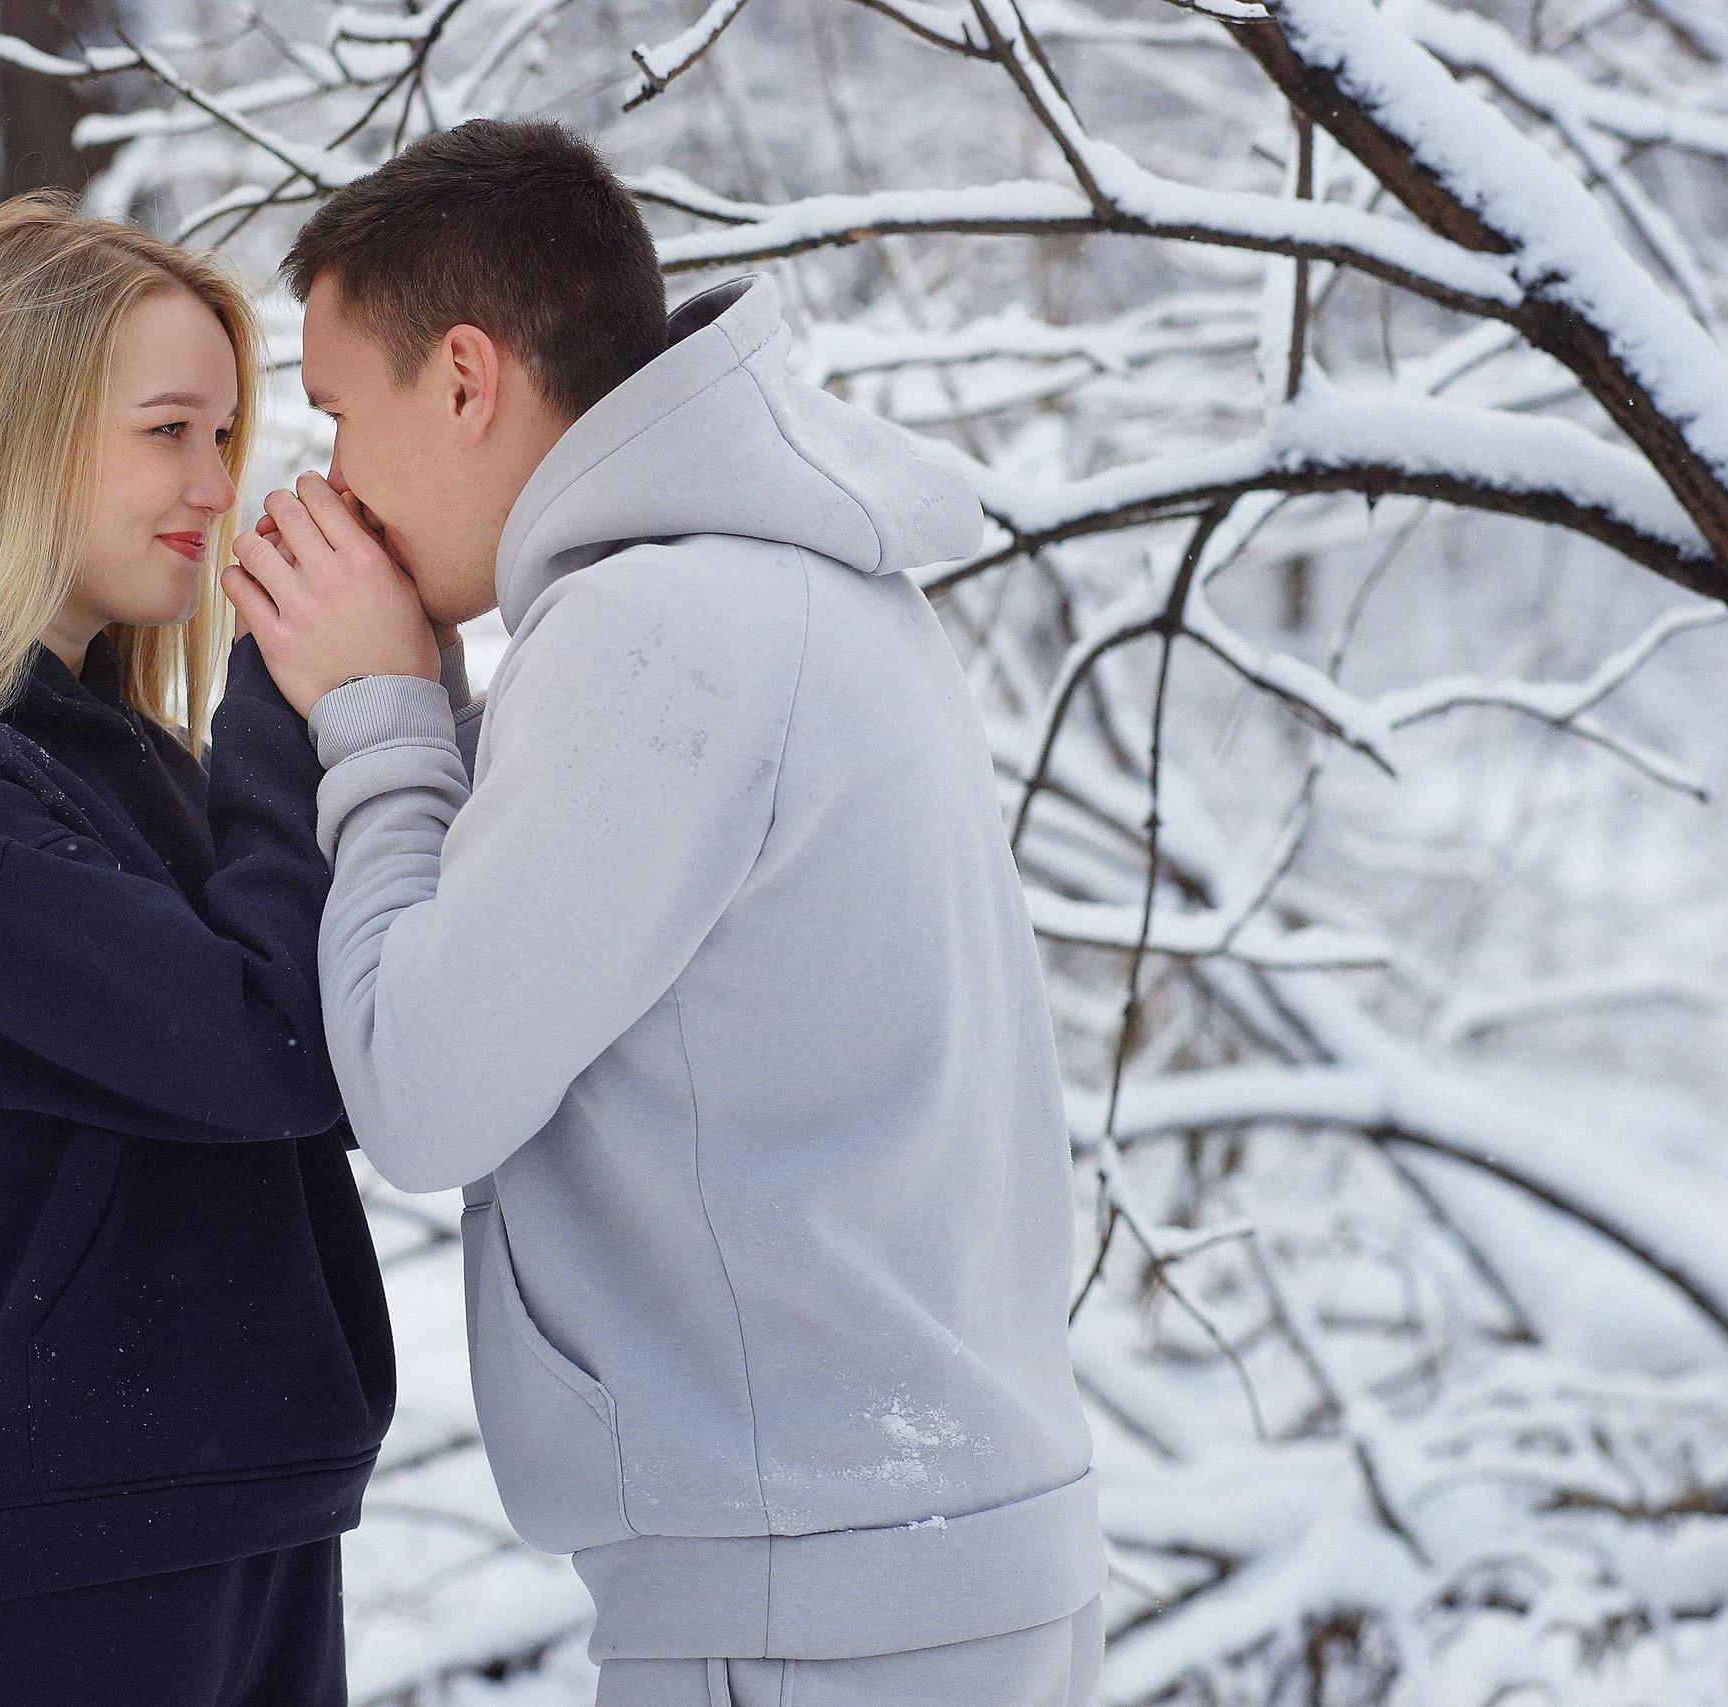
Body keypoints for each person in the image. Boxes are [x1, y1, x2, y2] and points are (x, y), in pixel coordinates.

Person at [225, 122, 1106, 1707]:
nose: (329, 475)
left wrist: (374, 712)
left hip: (807, 1604)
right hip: (929, 1563)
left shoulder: (651, 629)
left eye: (341, 411)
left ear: (470, 378)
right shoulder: (812, 582)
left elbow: (420, 1089)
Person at [0, 194, 407, 1707]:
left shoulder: (136, 771)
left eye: (227, 436)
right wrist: (297, 702)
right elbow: (267, 1042)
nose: (216, 484)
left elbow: (354, 1055)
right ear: (13, 431)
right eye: (169, 431)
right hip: (31, 1576)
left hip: (241, 1521)